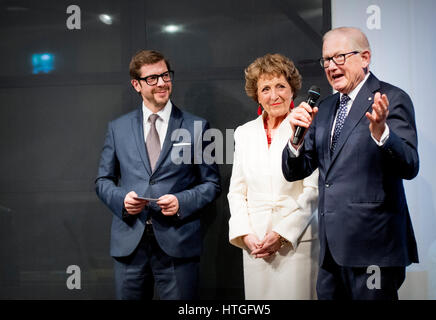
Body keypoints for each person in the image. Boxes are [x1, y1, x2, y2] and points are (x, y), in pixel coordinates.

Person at [282, 27, 419, 300]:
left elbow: (410, 165)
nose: (331, 67)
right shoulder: (325, 108)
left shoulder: (392, 99)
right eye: (326, 60)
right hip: (331, 253)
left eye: (339, 57)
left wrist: (382, 134)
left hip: (374, 250)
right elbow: (296, 170)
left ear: (365, 57)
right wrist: (295, 142)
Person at [95, 50, 221, 300]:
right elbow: (102, 181)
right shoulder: (117, 128)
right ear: (136, 85)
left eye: (165, 75)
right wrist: (122, 201)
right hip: (129, 245)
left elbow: (212, 184)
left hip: (178, 244)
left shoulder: (197, 126)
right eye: (152, 78)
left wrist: (181, 202)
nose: (162, 83)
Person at [228, 53, 319, 300]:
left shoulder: (308, 126)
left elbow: (313, 191)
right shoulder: (244, 133)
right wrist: (245, 233)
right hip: (255, 244)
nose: (274, 95)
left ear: (292, 90)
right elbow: (236, 191)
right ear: (256, 95)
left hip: (296, 243)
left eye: (281, 86)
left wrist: (281, 234)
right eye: (265, 88)